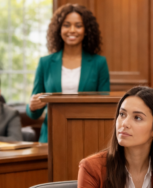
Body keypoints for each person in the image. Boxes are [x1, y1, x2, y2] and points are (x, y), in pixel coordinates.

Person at [27, 3, 110, 143]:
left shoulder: (99, 63)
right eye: (66, 25)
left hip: (88, 135)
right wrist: (32, 106)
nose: (72, 30)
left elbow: (105, 106)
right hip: (52, 136)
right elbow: (34, 113)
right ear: (59, 29)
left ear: (86, 30)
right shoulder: (45, 63)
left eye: (78, 25)